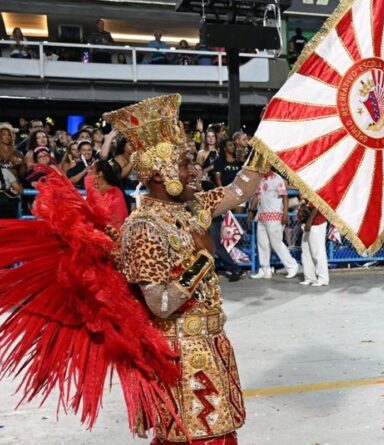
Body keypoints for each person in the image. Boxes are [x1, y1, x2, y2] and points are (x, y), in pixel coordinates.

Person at [105, 93, 267, 443]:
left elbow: (240, 190)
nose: (195, 171)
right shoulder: (143, 228)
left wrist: (267, 144)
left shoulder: (191, 207)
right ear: (161, 174)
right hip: (178, 356)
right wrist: (203, 259)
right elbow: (160, 304)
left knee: (220, 435)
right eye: (184, 164)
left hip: (209, 344)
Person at [248, 169, 299, 280]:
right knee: (262, 244)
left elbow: (284, 196)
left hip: (275, 216)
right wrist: (251, 211)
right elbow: (256, 196)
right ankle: (265, 269)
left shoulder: (277, 178)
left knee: (276, 243)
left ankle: (292, 266)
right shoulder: (259, 178)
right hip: (262, 216)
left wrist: (285, 213)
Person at [211, 139, 245, 281]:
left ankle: (236, 266)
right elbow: (218, 181)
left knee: (218, 243)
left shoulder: (239, 162)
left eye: (234, 144)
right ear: (224, 148)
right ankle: (232, 267)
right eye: (230, 145)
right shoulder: (219, 162)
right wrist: (225, 196)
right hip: (224, 198)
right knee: (215, 244)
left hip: (238, 195)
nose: (233, 147)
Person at [85, 159, 129, 228]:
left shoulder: (115, 192)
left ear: (100, 173)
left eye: (92, 169)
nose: (88, 171)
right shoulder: (92, 192)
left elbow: (119, 220)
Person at [299, 199, 329, 286]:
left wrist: (309, 221)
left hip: (316, 223)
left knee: (317, 252)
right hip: (307, 222)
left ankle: (323, 278)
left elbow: (317, 204)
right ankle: (310, 278)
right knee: (306, 252)